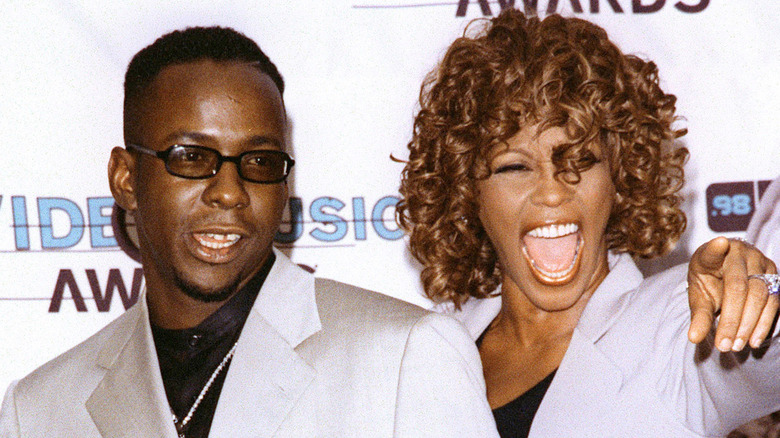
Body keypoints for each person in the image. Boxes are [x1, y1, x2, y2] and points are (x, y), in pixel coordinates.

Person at [0, 27, 498, 437]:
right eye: (192, 157)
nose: (230, 192)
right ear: (126, 180)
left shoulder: (404, 359)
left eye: (260, 162)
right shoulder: (40, 410)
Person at [397, 10, 780, 438]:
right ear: (468, 192)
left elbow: (765, 364)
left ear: (620, 177)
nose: (553, 192)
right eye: (514, 167)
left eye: (580, 161)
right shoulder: (434, 344)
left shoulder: (675, 325)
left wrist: (759, 301)